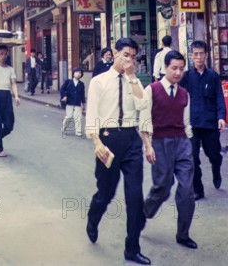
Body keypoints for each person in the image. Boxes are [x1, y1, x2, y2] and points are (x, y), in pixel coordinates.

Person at [85, 37, 150, 265]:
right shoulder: (99, 81)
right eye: (125, 55)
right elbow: (92, 114)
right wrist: (96, 143)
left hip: (131, 140)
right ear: (114, 53)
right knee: (106, 192)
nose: (128, 60)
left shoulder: (134, 81)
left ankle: (132, 248)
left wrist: (132, 76)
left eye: (133, 56)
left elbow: (143, 105)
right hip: (108, 139)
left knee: (134, 197)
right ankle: (93, 219)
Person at [140, 50, 197, 251]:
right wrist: (148, 145)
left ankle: (183, 234)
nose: (178, 72)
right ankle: (143, 214)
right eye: (174, 68)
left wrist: (189, 144)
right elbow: (145, 121)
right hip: (160, 142)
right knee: (162, 187)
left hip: (182, 143)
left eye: (181, 69)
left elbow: (186, 122)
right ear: (164, 68)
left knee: (187, 191)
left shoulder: (184, 94)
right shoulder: (152, 90)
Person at [180, 40, 226, 200]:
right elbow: (180, 98)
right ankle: (198, 189)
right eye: (195, 54)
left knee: (213, 154)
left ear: (206, 55)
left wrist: (221, 117)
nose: (199, 57)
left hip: (210, 123)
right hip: (192, 124)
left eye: (201, 54)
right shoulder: (186, 77)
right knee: (192, 157)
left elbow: (220, 98)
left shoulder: (213, 76)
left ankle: (216, 167)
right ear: (191, 56)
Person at [60, 67, 86, 136]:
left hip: (77, 102)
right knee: (69, 116)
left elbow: (82, 94)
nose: (78, 74)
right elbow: (62, 89)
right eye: (77, 72)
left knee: (78, 117)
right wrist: (64, 96)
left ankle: (78, 131)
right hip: (69, 102)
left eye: (80, 73)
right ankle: (64, 128)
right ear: (73, 74)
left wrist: (83, 103)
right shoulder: (68, 81)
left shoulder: (81, 84)